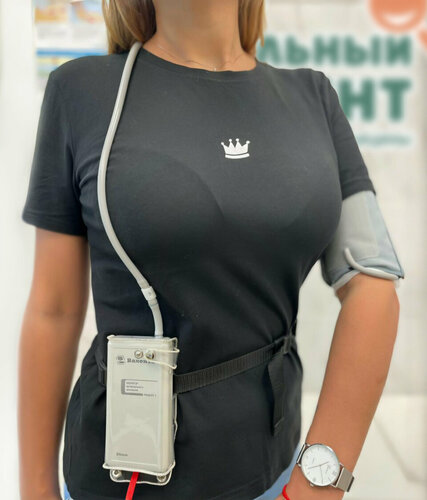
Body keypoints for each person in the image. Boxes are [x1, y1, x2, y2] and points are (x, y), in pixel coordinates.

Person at [18, 1, 403, 499]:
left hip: (274, 473)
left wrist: (318, 484)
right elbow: (53, 310)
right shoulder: (81, 92)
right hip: (118, 479)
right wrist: (35, 490)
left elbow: (372, 281)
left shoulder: (314, 97)